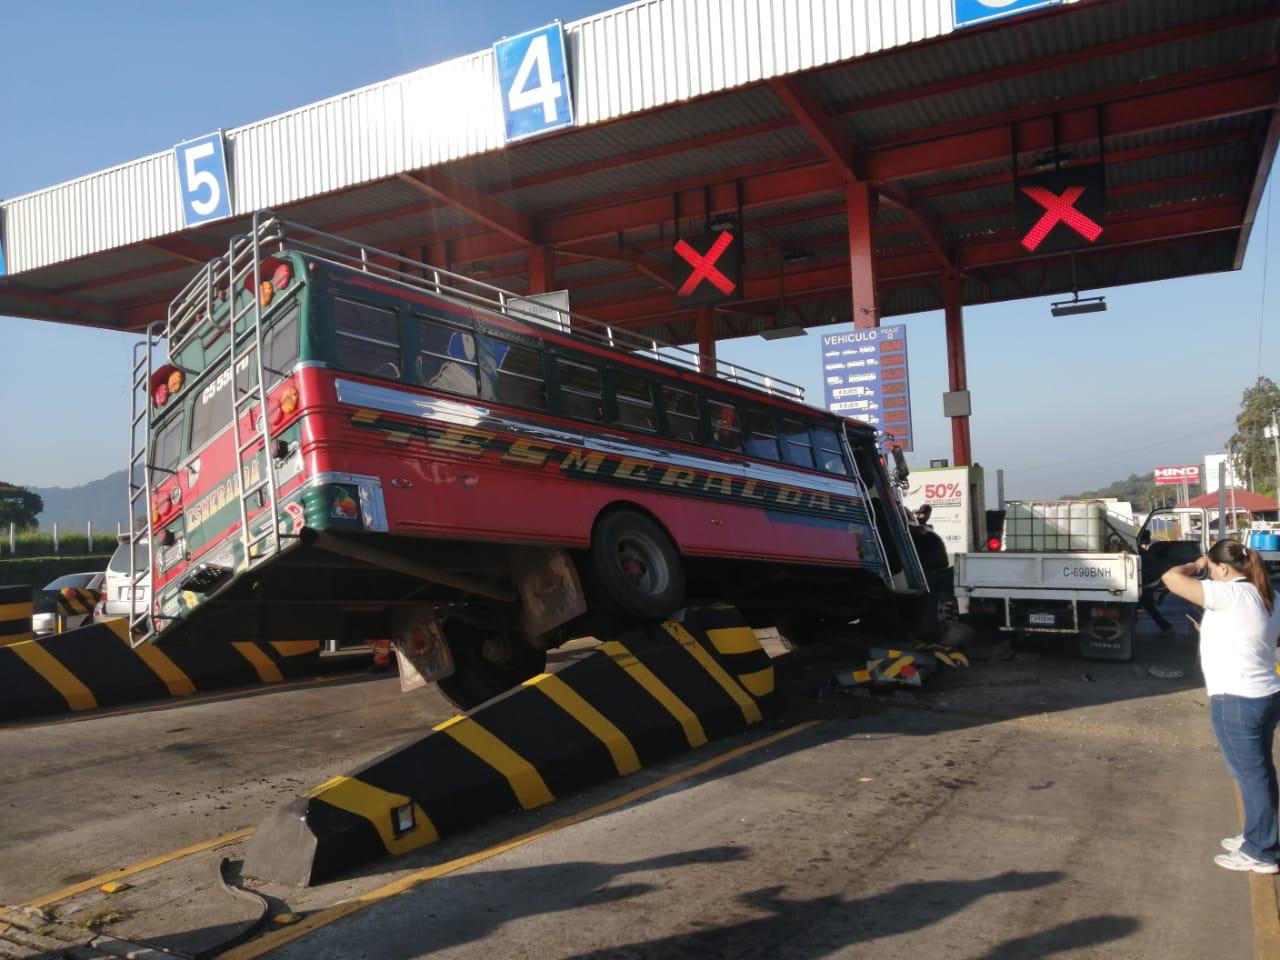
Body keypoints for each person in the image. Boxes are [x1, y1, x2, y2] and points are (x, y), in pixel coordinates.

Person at [1162, 539, 1280, 873]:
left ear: (1224, 568)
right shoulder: (1267, 596)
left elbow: (1170, 578)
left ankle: (1261, 852)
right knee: (1259, 773)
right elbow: (1261, 637)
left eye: (1213, 570)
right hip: (1265, 694)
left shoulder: (1230, 594)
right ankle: (1259, 836)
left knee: (1251, 777)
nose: (1209, 575)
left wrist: (1197, 564)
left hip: (1237, 700)